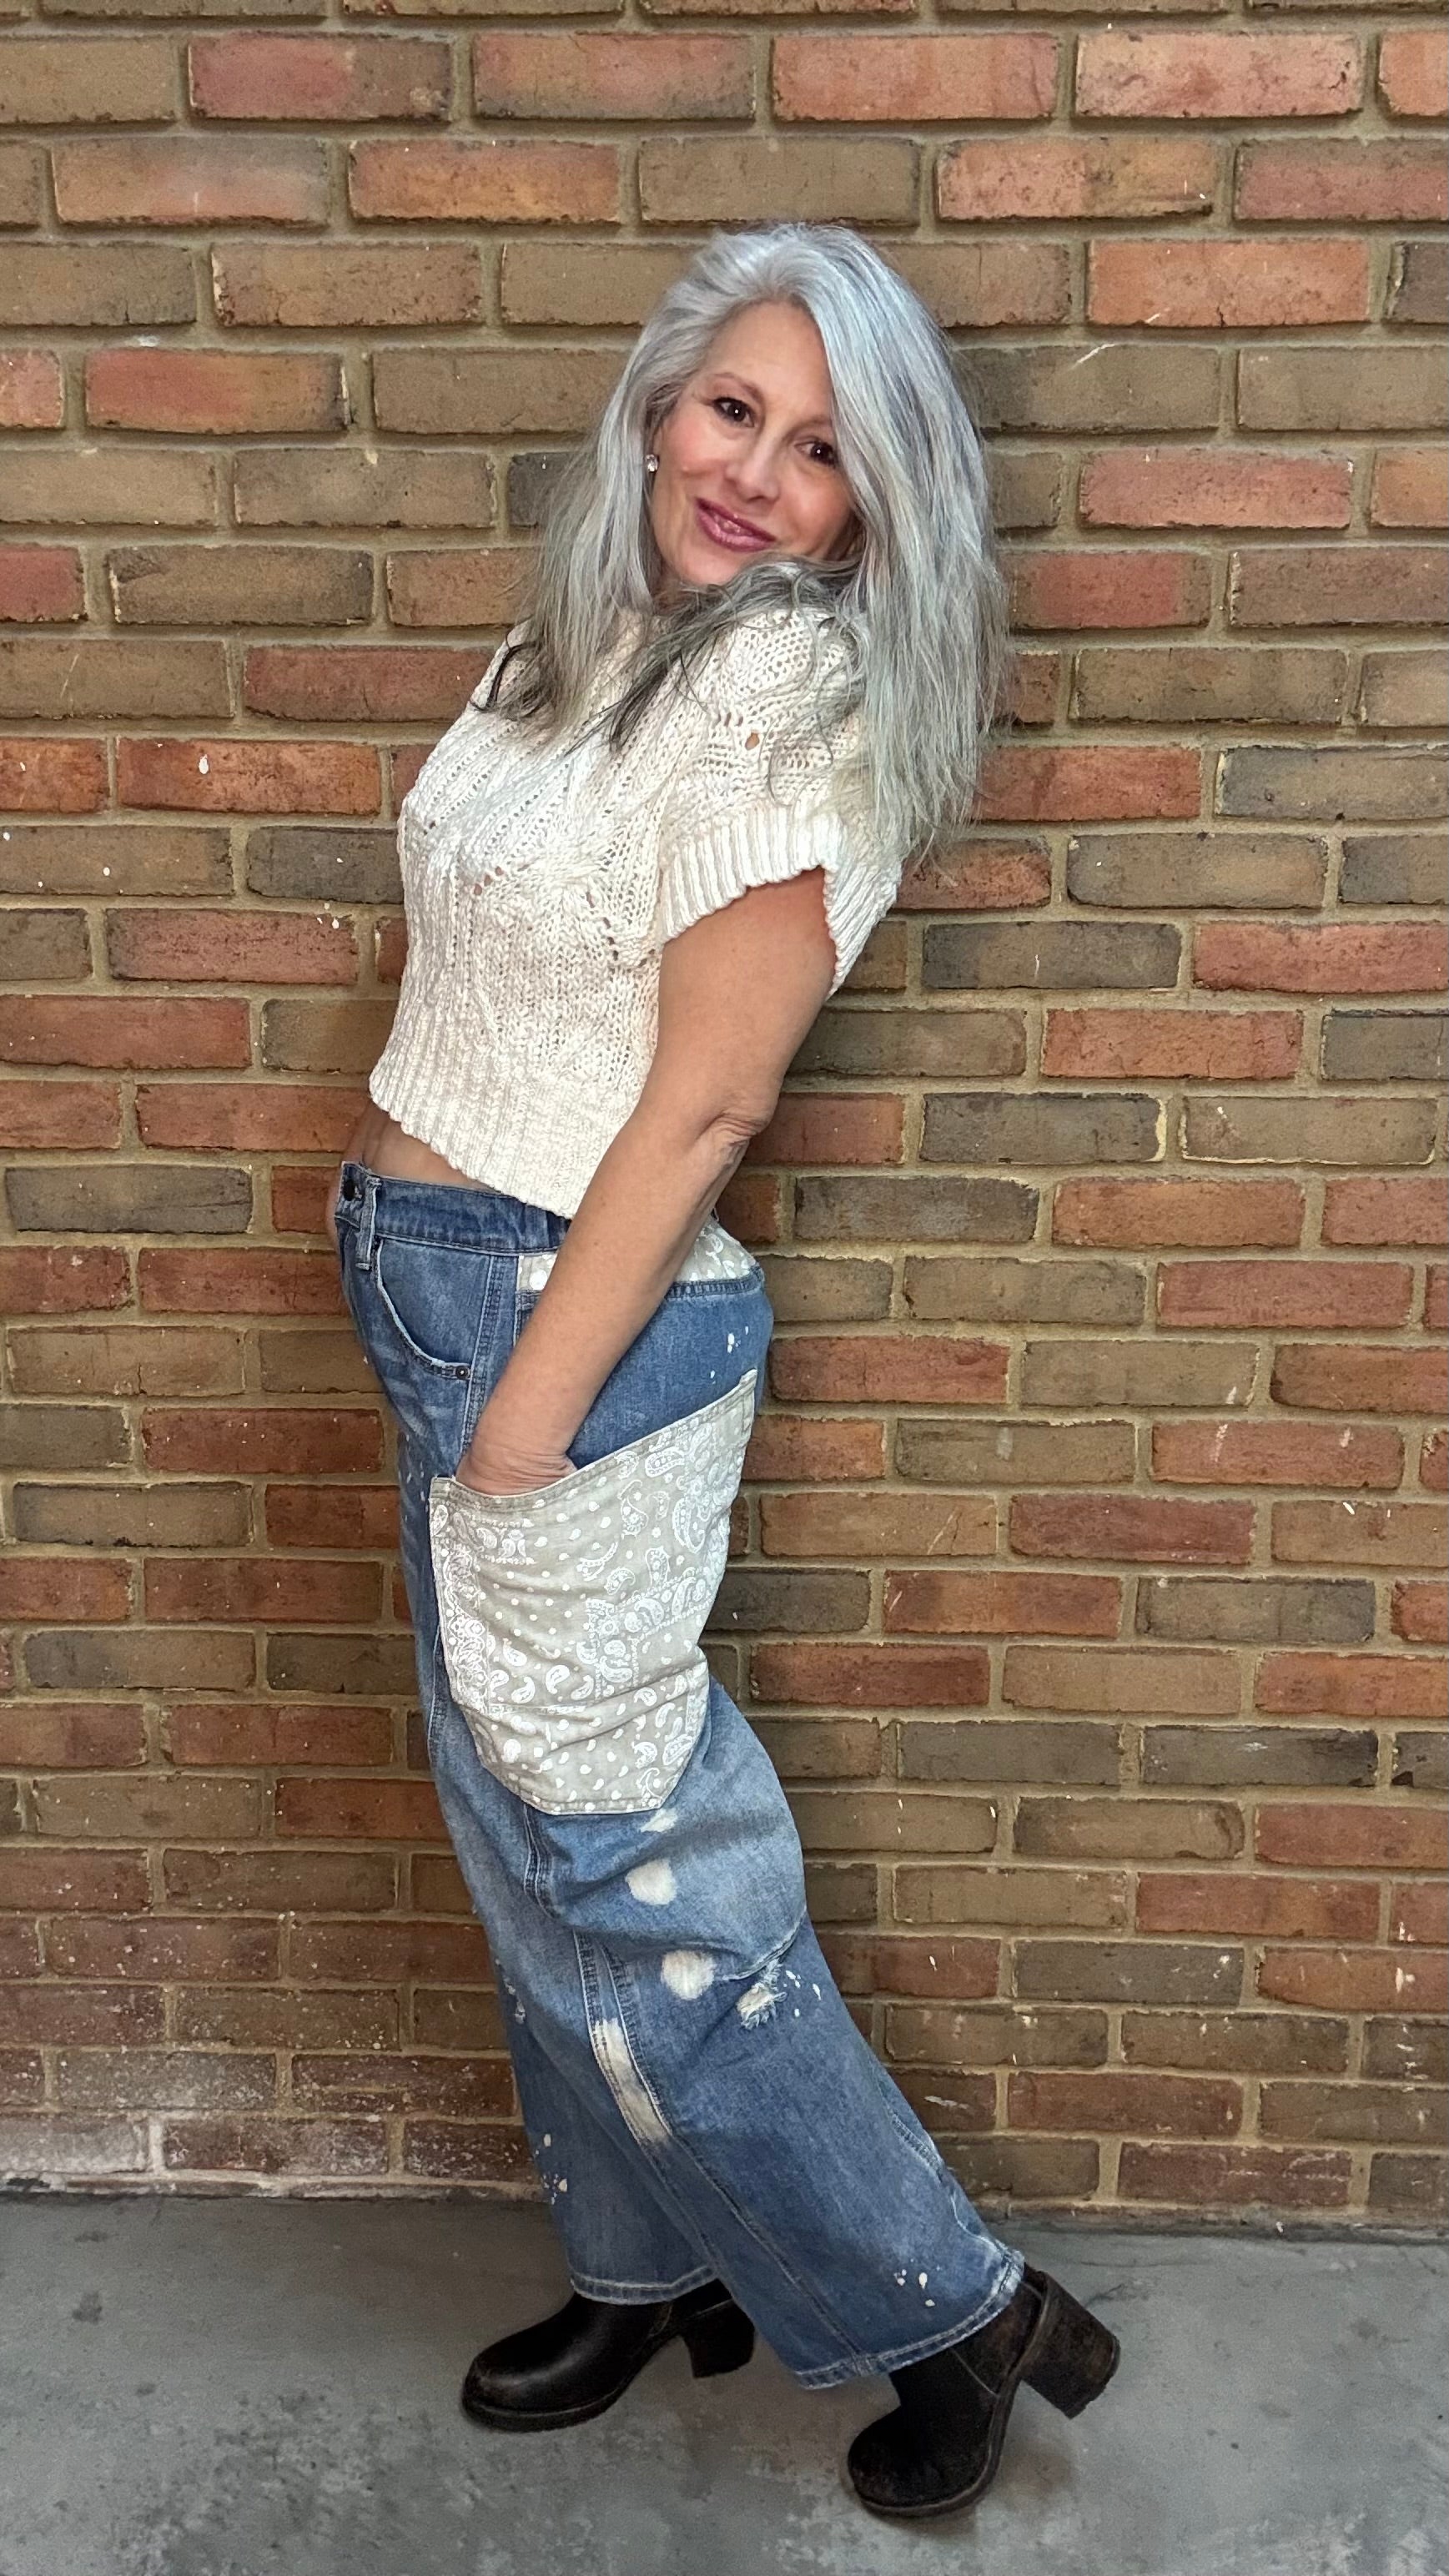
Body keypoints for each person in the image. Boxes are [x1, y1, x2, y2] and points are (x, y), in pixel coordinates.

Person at [325, 221, 1119, 2523]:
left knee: (645, 1885)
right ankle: (649, 2256)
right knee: (537, 1869)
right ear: (659, 408)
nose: (759, 470)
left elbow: (699, 1107)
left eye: (821, 447)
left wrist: (522, 1414)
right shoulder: (589, 651)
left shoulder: (786, 700)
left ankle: (954, 2313)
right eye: (731, 411)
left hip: (564, 1323)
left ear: (876, 510)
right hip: (456, 1290)